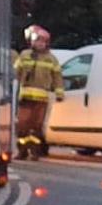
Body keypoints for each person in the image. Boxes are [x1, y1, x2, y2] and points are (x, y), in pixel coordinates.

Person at [14, 25, 65, 160]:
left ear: (46, 43)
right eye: (37, 41)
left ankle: (35, 153)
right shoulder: (24, 55)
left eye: (42, 41)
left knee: (36, 127)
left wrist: (60, 93)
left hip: (41, 99)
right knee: (22, 126)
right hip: (25, 97)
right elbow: (16, 73)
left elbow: (57, 77)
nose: (39, 44)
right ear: (32, 42)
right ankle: (22, 151)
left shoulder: (51, 59)